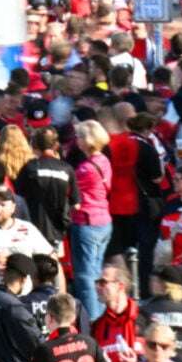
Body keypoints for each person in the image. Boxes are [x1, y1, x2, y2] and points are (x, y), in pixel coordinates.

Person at [70, 120, 113, 321]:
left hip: (88, 222)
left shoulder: (85, 169)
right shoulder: (104, 161)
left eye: (78, 136)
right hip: (103, 219)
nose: (76, 140)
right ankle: (100, 313)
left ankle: (94, 319)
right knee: (96, 272)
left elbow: (71, 191)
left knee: (86, 276)